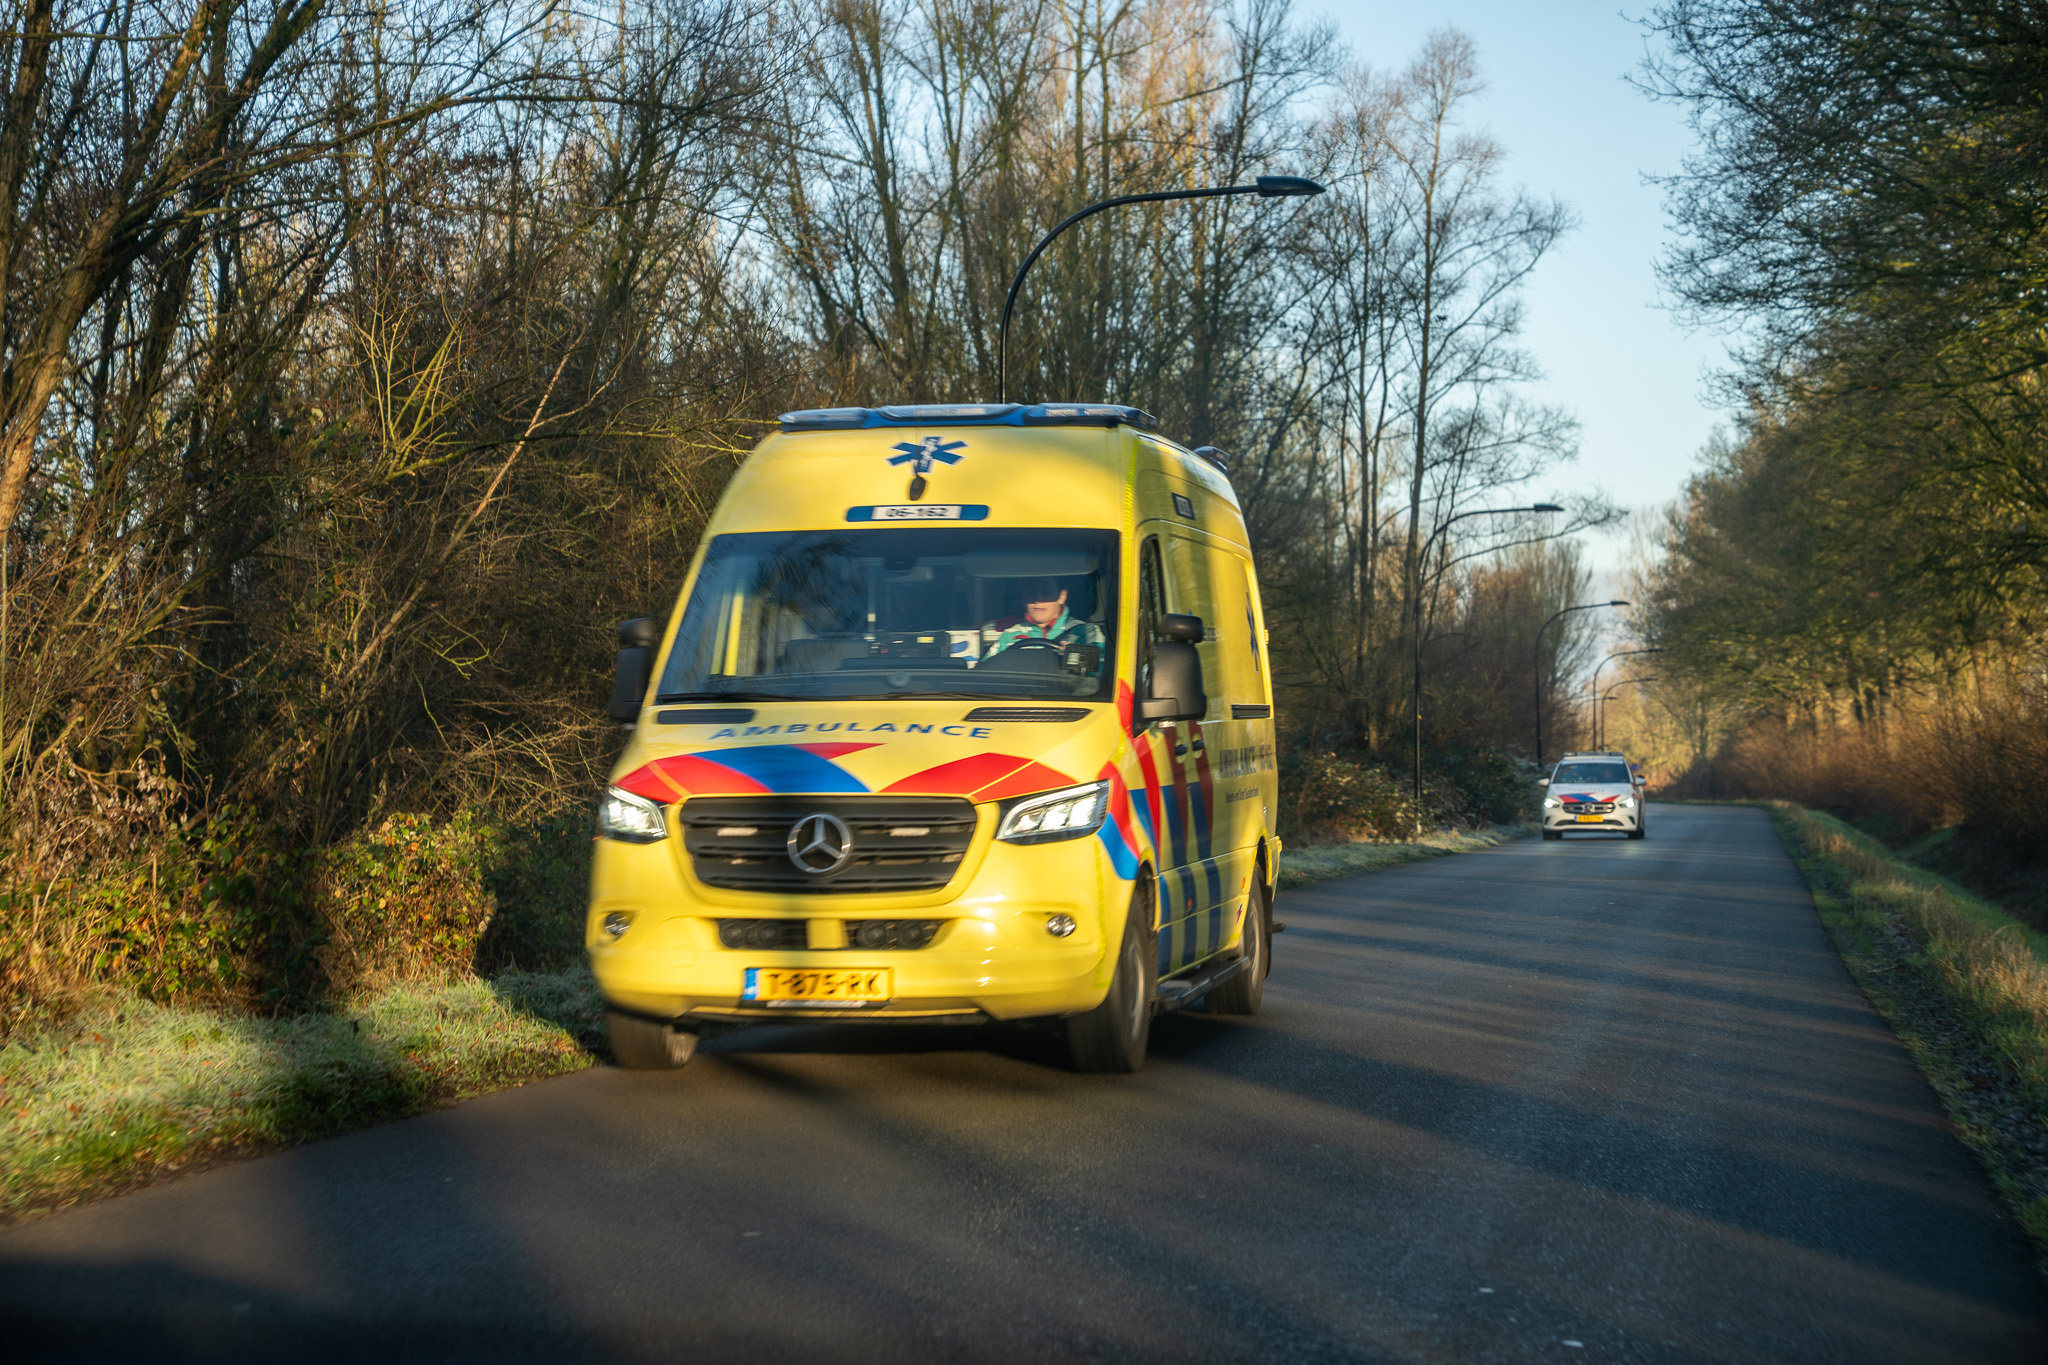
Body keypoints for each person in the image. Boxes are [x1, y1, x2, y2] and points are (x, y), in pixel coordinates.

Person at [982, 577, 1105, 659]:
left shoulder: (1086, 632)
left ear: (1062, 596)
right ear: (1023, 599)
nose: (1038, 599)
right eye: (1030, 593)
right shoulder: (1010, 634)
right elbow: (986, 674)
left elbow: (1098, 678)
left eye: (1046, 592)